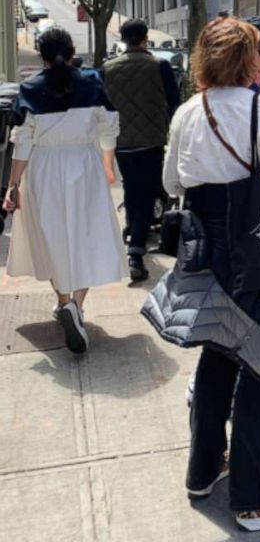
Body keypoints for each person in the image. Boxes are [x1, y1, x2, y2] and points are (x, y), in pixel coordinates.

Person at [162, 17, 260, 532]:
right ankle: (256, 497)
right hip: (257, 255)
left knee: (218, 357)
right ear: (250, 57)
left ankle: (203, 471)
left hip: (207, 254)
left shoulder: (188, 110)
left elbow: (171, 180)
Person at [1, 27, 125, 354]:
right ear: (72, 51)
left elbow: (22, 143)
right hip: (84, 165)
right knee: (86, 237)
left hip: (43, 168)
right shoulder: (92, 84)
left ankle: (63, 301)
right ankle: (77, 308)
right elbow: (109, 128)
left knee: (52, 237)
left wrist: (13, 186)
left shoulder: (29, 89)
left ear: (41, 55)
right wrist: (107, 162)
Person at [103, 18, 180, 282]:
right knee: (147, 192)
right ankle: (136, 252)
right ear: (145, 38)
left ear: (123, 39)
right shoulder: (159, 65)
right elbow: (174, 102)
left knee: (131, 186)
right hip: (152, 140)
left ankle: (130, 228)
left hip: (121, 141)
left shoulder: (108, 69)